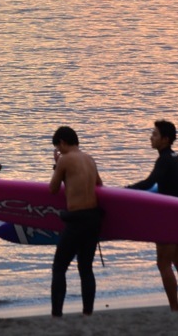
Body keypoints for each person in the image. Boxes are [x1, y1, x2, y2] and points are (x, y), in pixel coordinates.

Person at [127, 119, 178, 311]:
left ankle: (174, 308)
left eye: (155, 134)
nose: (151, 137)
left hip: (168, 215)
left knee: (163, 262)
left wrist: (125, 191)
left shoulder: (164, 159)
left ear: (165, 139)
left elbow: (149, 183)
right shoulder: (175, 157)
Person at [49, 125, 104, 317]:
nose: (59, 151)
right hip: (93, 218)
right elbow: (99, 184)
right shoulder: (89, 158)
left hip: (77, 220)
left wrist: (57, 165)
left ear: (62, 143)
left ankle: (57, 313)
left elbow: (53, 188)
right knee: (85, 268)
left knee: (59, 267)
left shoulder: (65, 159)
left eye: (58, 147)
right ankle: (87, 312)